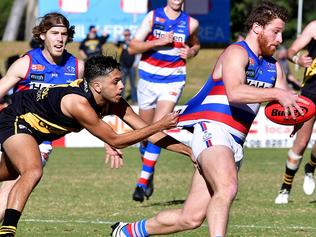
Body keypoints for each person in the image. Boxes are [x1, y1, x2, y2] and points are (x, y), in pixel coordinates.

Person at [110, 2, 307, 236]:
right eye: (276, 31)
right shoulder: (237, 52)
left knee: (190, 218)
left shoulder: (274, 67)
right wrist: (277, 93)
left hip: (234, 141)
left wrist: (296, 115)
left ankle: (127, 231)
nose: (280, 37)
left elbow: (282, 101)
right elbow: (234, 92)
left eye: (281, 32)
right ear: (256, 28)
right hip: (213, 128)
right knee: (227, 187)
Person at [0, 55, 192, 236]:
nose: (122, 86)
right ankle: (7, 231)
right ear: (98, 86)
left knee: (10, 173)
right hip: (16, 117)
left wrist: (190, 152)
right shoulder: (78, 103)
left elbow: (150, 133)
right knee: (32, 170)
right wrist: (160, 124)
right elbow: (116, 140)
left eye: (121, 80)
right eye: (115, 81)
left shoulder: (114, 102)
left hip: (37, 129)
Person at [0, 12, 84, 222]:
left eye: (64, 33)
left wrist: (108, 140)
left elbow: (88, 107)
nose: (60, 38)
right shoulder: (26, 63)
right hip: (13, 129)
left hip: (42, 140)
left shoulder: (77, 68)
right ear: (43, 35)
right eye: (54, 33)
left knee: (13, 188)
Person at [128, 0, 200, 202]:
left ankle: (142, 183)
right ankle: (149, 172)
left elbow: (195, 44)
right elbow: (133, 47)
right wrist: (157, 42)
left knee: (159, 128)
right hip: (147, 80)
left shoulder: (191, 23)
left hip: (173, 80)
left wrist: (192, 52)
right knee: (144, 133)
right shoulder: (153, 17)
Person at [275, 20, 316, 204]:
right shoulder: (314, 27)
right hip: (310, 93)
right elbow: (291, 52)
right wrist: (298, 59)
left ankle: (310, 168)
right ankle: (285, 188)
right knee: (301, 142)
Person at [116, 29, 138, 104]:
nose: (127, 36)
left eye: (128, 35)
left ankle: (134, 100)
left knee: (133, 84)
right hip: (123, 66)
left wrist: (136, 63)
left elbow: (138, 53)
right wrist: (120, 34)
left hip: (132, 66)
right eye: (125, 35)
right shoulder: (121, 43)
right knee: (122, 83)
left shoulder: (133, 43)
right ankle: (121, 100)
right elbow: (116, 42)